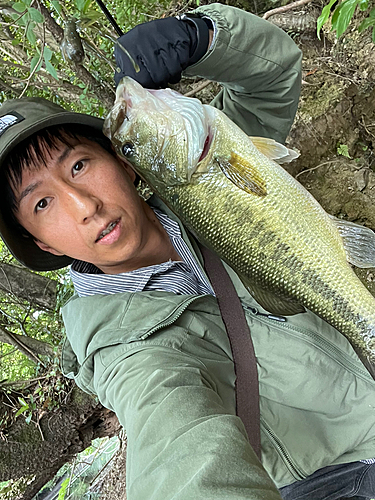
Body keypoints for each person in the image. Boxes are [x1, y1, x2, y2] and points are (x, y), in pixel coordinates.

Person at [0, 3, 374, 499]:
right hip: (331, 477)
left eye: (79, 166)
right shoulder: (121, 351)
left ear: (124, 164)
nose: (84, 205)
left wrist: (201, 38)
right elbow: (175, 443)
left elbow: (275, 71)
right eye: (43, 202)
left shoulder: (203, 168)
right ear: (40, 242)